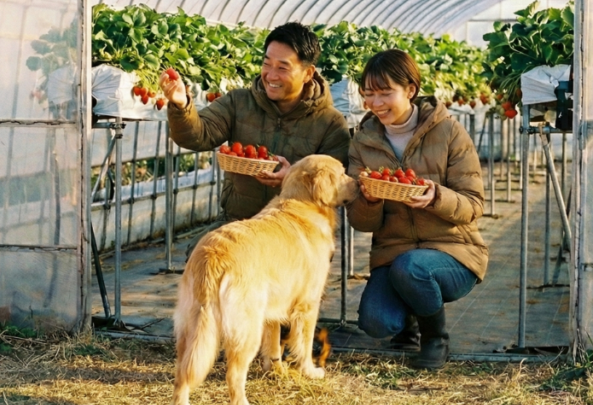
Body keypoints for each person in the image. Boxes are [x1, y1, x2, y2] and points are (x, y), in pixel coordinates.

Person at [346, 49, 488, 370]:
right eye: (368, 94)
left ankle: (435, 337)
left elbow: (473, 204)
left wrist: (437, 196)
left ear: (410, 90)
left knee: (412, 268)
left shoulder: (448, 131)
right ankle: (407, 318)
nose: (376, 103)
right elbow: (360, 222)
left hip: (453, 253)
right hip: (392, 253)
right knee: (376, 324)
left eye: (385, 93)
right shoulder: (362, 142)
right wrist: (368, 200)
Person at [159, 22, 351, 233]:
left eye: (283, 67)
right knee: (204, 259)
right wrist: (181, 105)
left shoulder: (330, 123)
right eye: (267, 64)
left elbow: (335, 190)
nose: (271, 75)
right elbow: (197, 136)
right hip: (236, 224)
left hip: (294, 232)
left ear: (308, 73)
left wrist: (291, 179)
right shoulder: (238, 102)